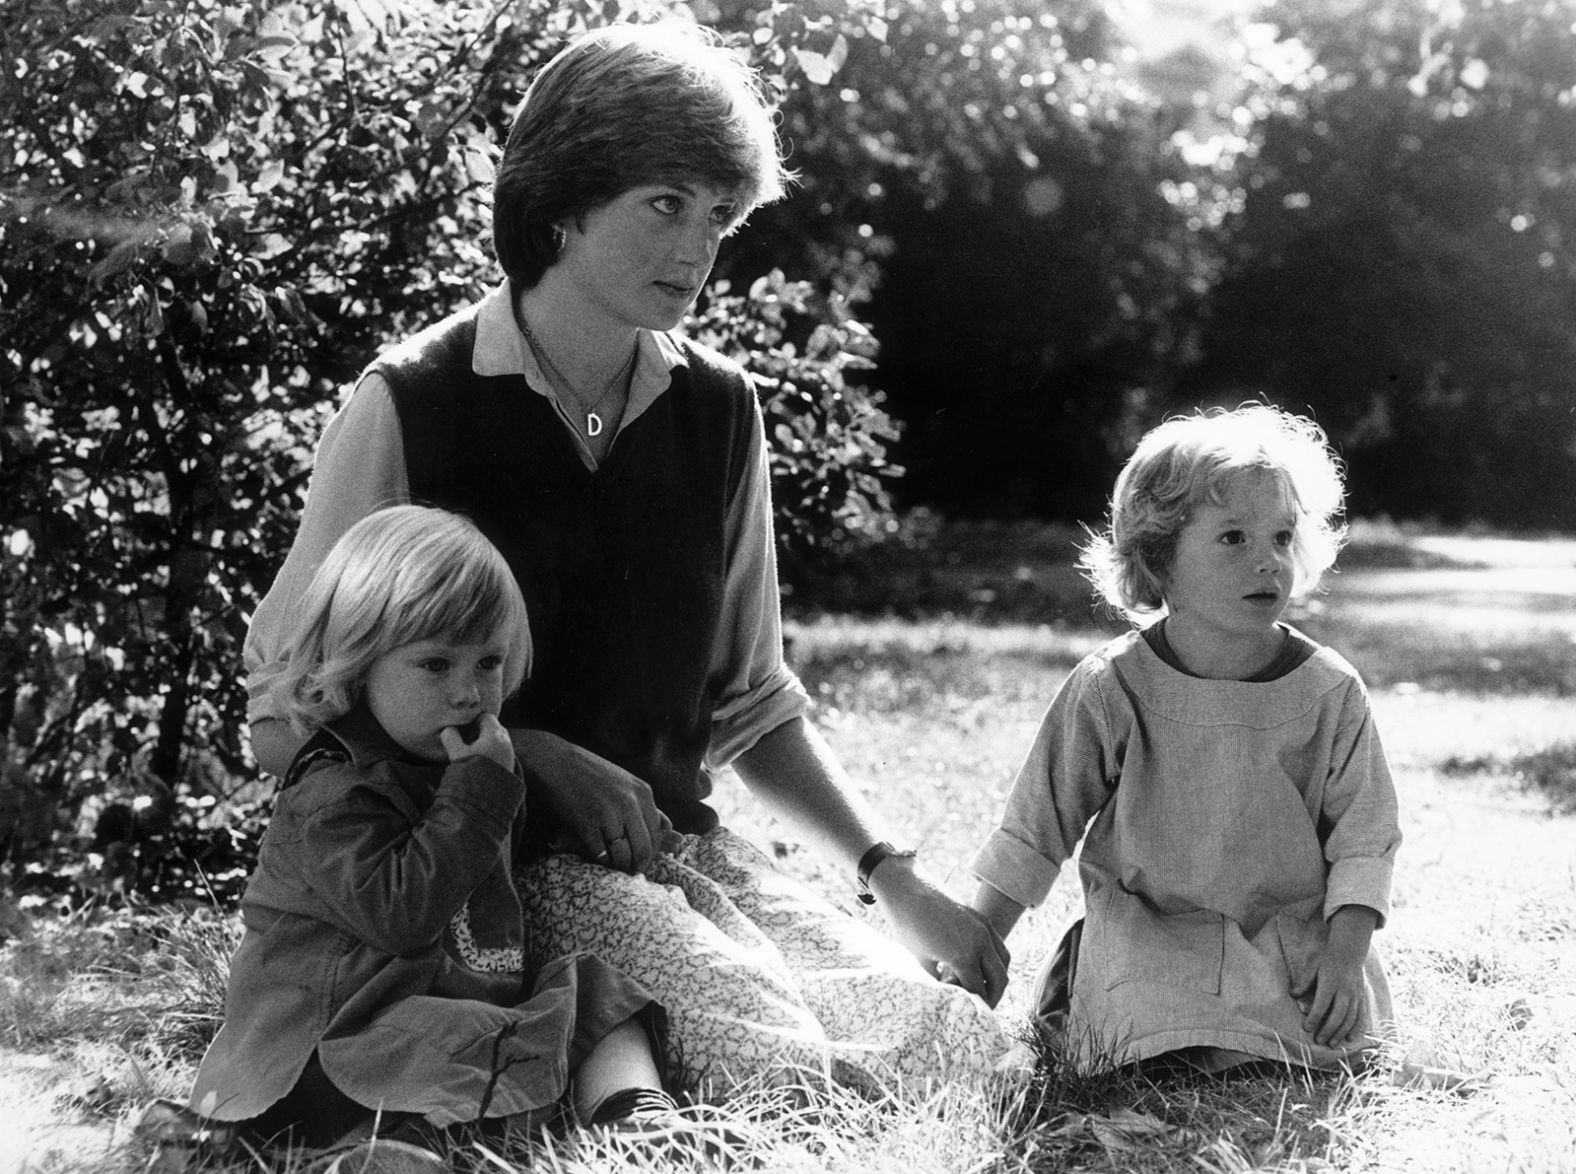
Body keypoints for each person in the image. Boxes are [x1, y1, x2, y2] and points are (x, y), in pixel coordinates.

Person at [243, 21, 1009, 1095]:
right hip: (491, 883)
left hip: (672, 854)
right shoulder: (412, 400)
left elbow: (750, 702)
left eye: (717, 216)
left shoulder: (720, 409)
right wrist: (525, 750)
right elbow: (292, 705)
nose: (696, 249)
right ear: (561, 203)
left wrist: (892, 875)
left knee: (954, 1046)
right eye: (664, 204)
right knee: (777, 1064)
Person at [184, 506, 677, 1167]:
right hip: (335, 1041)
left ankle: (631, 1114)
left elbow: (489, 863)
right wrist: (480, 796)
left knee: (593, 990)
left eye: (489, 662)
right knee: (439, 1044)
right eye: (435, 664)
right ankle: (378, 1155)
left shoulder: (461, 766)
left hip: (440, 1006)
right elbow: (402, 915)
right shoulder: (336, 791)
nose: (470, 693)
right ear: (354, 665)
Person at [967, 404, 1401, 1075]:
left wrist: (1345, 959)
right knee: (1137, 1028)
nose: (1267, 561)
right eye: (1233, 538)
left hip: (1282, 934)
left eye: (1282, 537)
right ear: (1159, 559)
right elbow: (1037, 826)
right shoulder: (1112, 686)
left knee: (1315, 1034)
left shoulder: (1329, 692)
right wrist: (976, 945)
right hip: (1152, 932)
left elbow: (1365, 838)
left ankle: (1244, 1036)